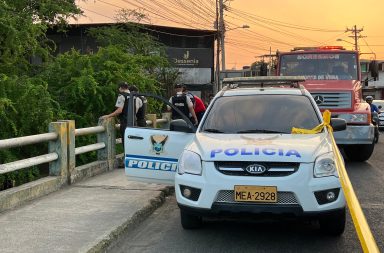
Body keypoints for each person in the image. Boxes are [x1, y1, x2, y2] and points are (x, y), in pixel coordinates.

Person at [100, 82, 142, 147]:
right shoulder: (132, 96)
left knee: (126, 143)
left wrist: (108, 116)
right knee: (133, 143)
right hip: (134, 122)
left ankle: (126, 156)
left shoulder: (122, 95)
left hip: (126, 123)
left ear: (120, 88)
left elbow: (119, 110)